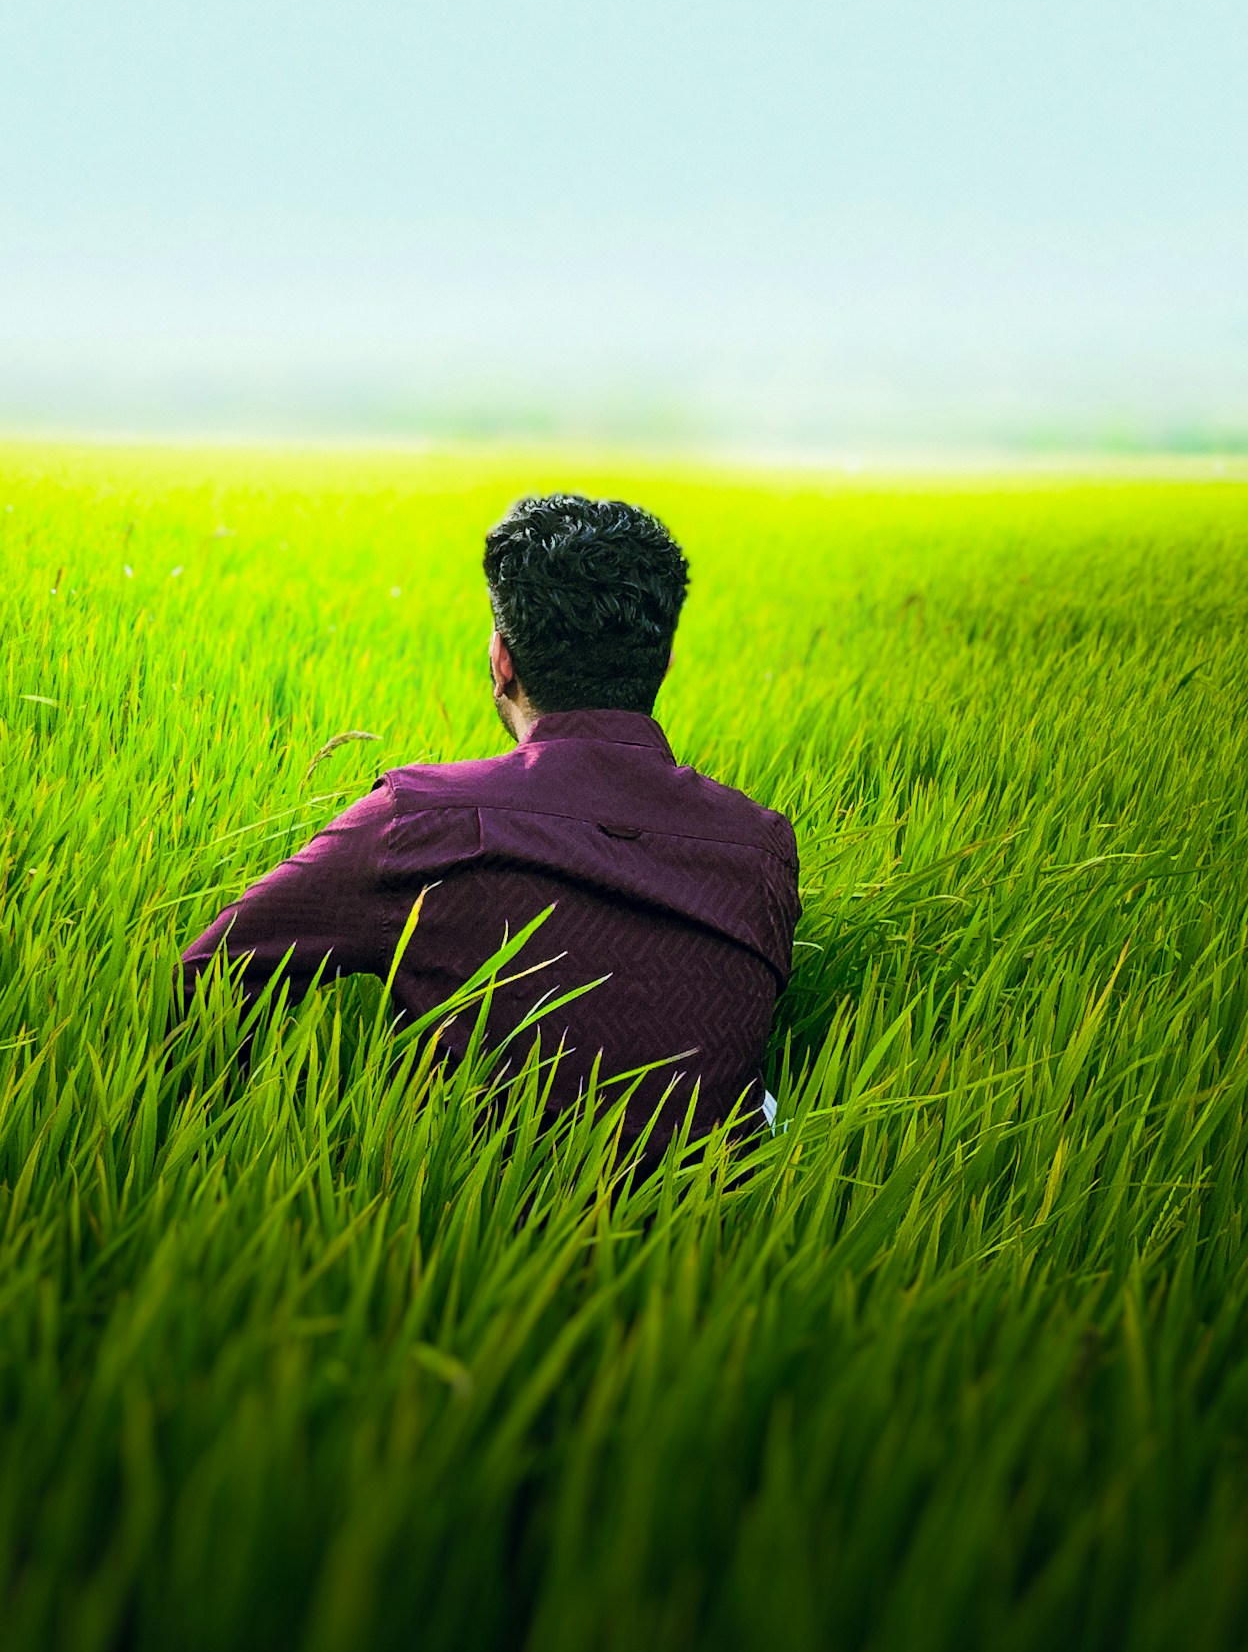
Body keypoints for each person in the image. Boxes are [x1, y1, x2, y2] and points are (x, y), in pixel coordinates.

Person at [176, 492, 800, 1157]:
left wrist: (260, 1134)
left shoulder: (418, 820)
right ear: (665, 662)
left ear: (502, 660)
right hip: (710, 1233)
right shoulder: (761, 845)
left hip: (452, 1226)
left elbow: (209, 976)